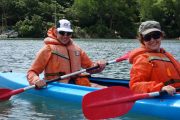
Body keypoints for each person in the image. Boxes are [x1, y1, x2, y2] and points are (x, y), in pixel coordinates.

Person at [27, 19, 106, 88]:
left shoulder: (77, 49)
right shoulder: (47, 49)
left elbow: (91, 68)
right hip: (57, 85)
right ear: (55, 32)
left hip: (79, 83)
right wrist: (36, 80)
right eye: (62, 32)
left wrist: (99, 65)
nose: (65, 36)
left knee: (104, 88)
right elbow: (32, 72)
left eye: (68, 33)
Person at [129, 20, 180, 95]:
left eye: (156, 35)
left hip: (176, 96)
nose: (152, 40)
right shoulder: (142, 59)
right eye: (147, 37)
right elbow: (135, 86)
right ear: (142, 40)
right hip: (162, 99)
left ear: (161, 36)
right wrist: (161, 88)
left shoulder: (167, 56)